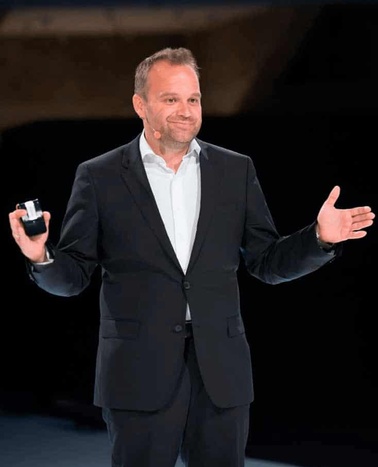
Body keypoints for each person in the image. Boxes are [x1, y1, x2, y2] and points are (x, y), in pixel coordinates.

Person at [8, 47, 375, 467]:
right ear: (139, 104)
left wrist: (319, 239)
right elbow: (72, 276)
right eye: (171, 99)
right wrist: (41, 256)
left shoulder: (235, 170)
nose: (186, 111)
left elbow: (267, 262)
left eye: (193, 99)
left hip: (221, 372)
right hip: (137, 372)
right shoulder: (99, 176)